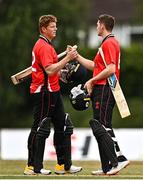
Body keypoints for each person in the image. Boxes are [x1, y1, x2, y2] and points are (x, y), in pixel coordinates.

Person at [24, 14, 82, 175]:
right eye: (52, 26)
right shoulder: (42, 46)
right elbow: (49, 69)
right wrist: (68, 58)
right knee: (40, 128)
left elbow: (53, 69)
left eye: (56, 25)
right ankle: (32, 166)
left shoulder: (48, 46)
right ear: (43, 29)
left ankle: (63, 165)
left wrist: (65, 71)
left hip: (53, 91)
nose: (55, 28)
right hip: (44, 92)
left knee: (63, 126)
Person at [76, 14, 130, 175]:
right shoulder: (106, 43)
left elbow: (111, 69)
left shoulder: (109, 43)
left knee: (104, 125)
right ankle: (107, 166)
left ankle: (119, 159)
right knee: (99, 127)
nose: (96, 26)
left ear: (103, 26)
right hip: (103, 88)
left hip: (106, 88)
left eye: (98, 24)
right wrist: (77, 57)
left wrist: (91, 81)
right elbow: (96, 66)